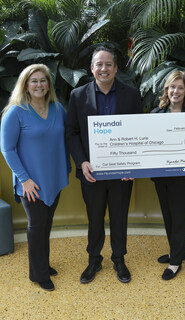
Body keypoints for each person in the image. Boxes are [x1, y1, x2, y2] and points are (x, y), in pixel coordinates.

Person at [65, 46, 142, 284]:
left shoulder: (131, 95)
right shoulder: (77, 95)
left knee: (119, 218)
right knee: (95, 218)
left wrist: (133, 166)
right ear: (92, 68)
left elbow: (140, 132)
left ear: (116, 68)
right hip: (92, 173)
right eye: (99, 64)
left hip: (122, 174)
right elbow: (72, 133)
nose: (104, 69)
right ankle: (94, 260)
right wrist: (82, 162)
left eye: (108, 64)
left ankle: (119, 259)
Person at [0, 64, 71, 291]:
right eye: (34, 81)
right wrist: (24, 179)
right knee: (37, 225)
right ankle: (39, 274)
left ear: (49, 84)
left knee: (46, 224)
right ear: (26, 86)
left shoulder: (59, 108)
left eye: (43, 80)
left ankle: (43, 263)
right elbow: (7, 149)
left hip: (53, 179)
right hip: (30, 183)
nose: (39, 84)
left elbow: (69, 137)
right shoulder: (16, 112)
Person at [151, 70, 185, 280]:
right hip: (162, 178)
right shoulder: (156, 115)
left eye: (180, 87)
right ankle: (178, 250)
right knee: (169, 216)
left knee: (181, 218)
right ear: (166, 89)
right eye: (172, 87)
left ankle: (175, 261)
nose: (175, 91)